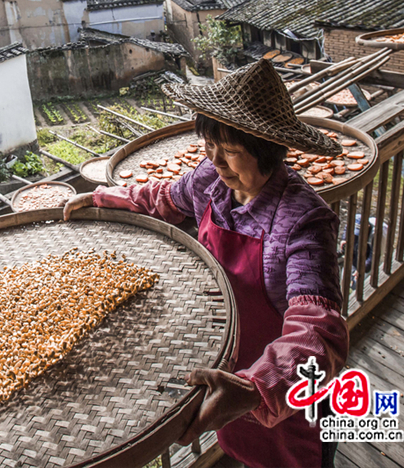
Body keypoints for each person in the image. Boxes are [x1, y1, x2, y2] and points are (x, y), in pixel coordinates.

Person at [64, 60, 349, 468]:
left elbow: (319, 330)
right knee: (241, 448)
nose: (216, 160)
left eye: (230, 151)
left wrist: (255, 389)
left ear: (267, 149)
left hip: (285, 389)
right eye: (210, 145)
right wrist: (101, 198)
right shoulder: (211, 183)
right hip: (227, 370)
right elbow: (162, 197)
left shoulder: (303, 220)